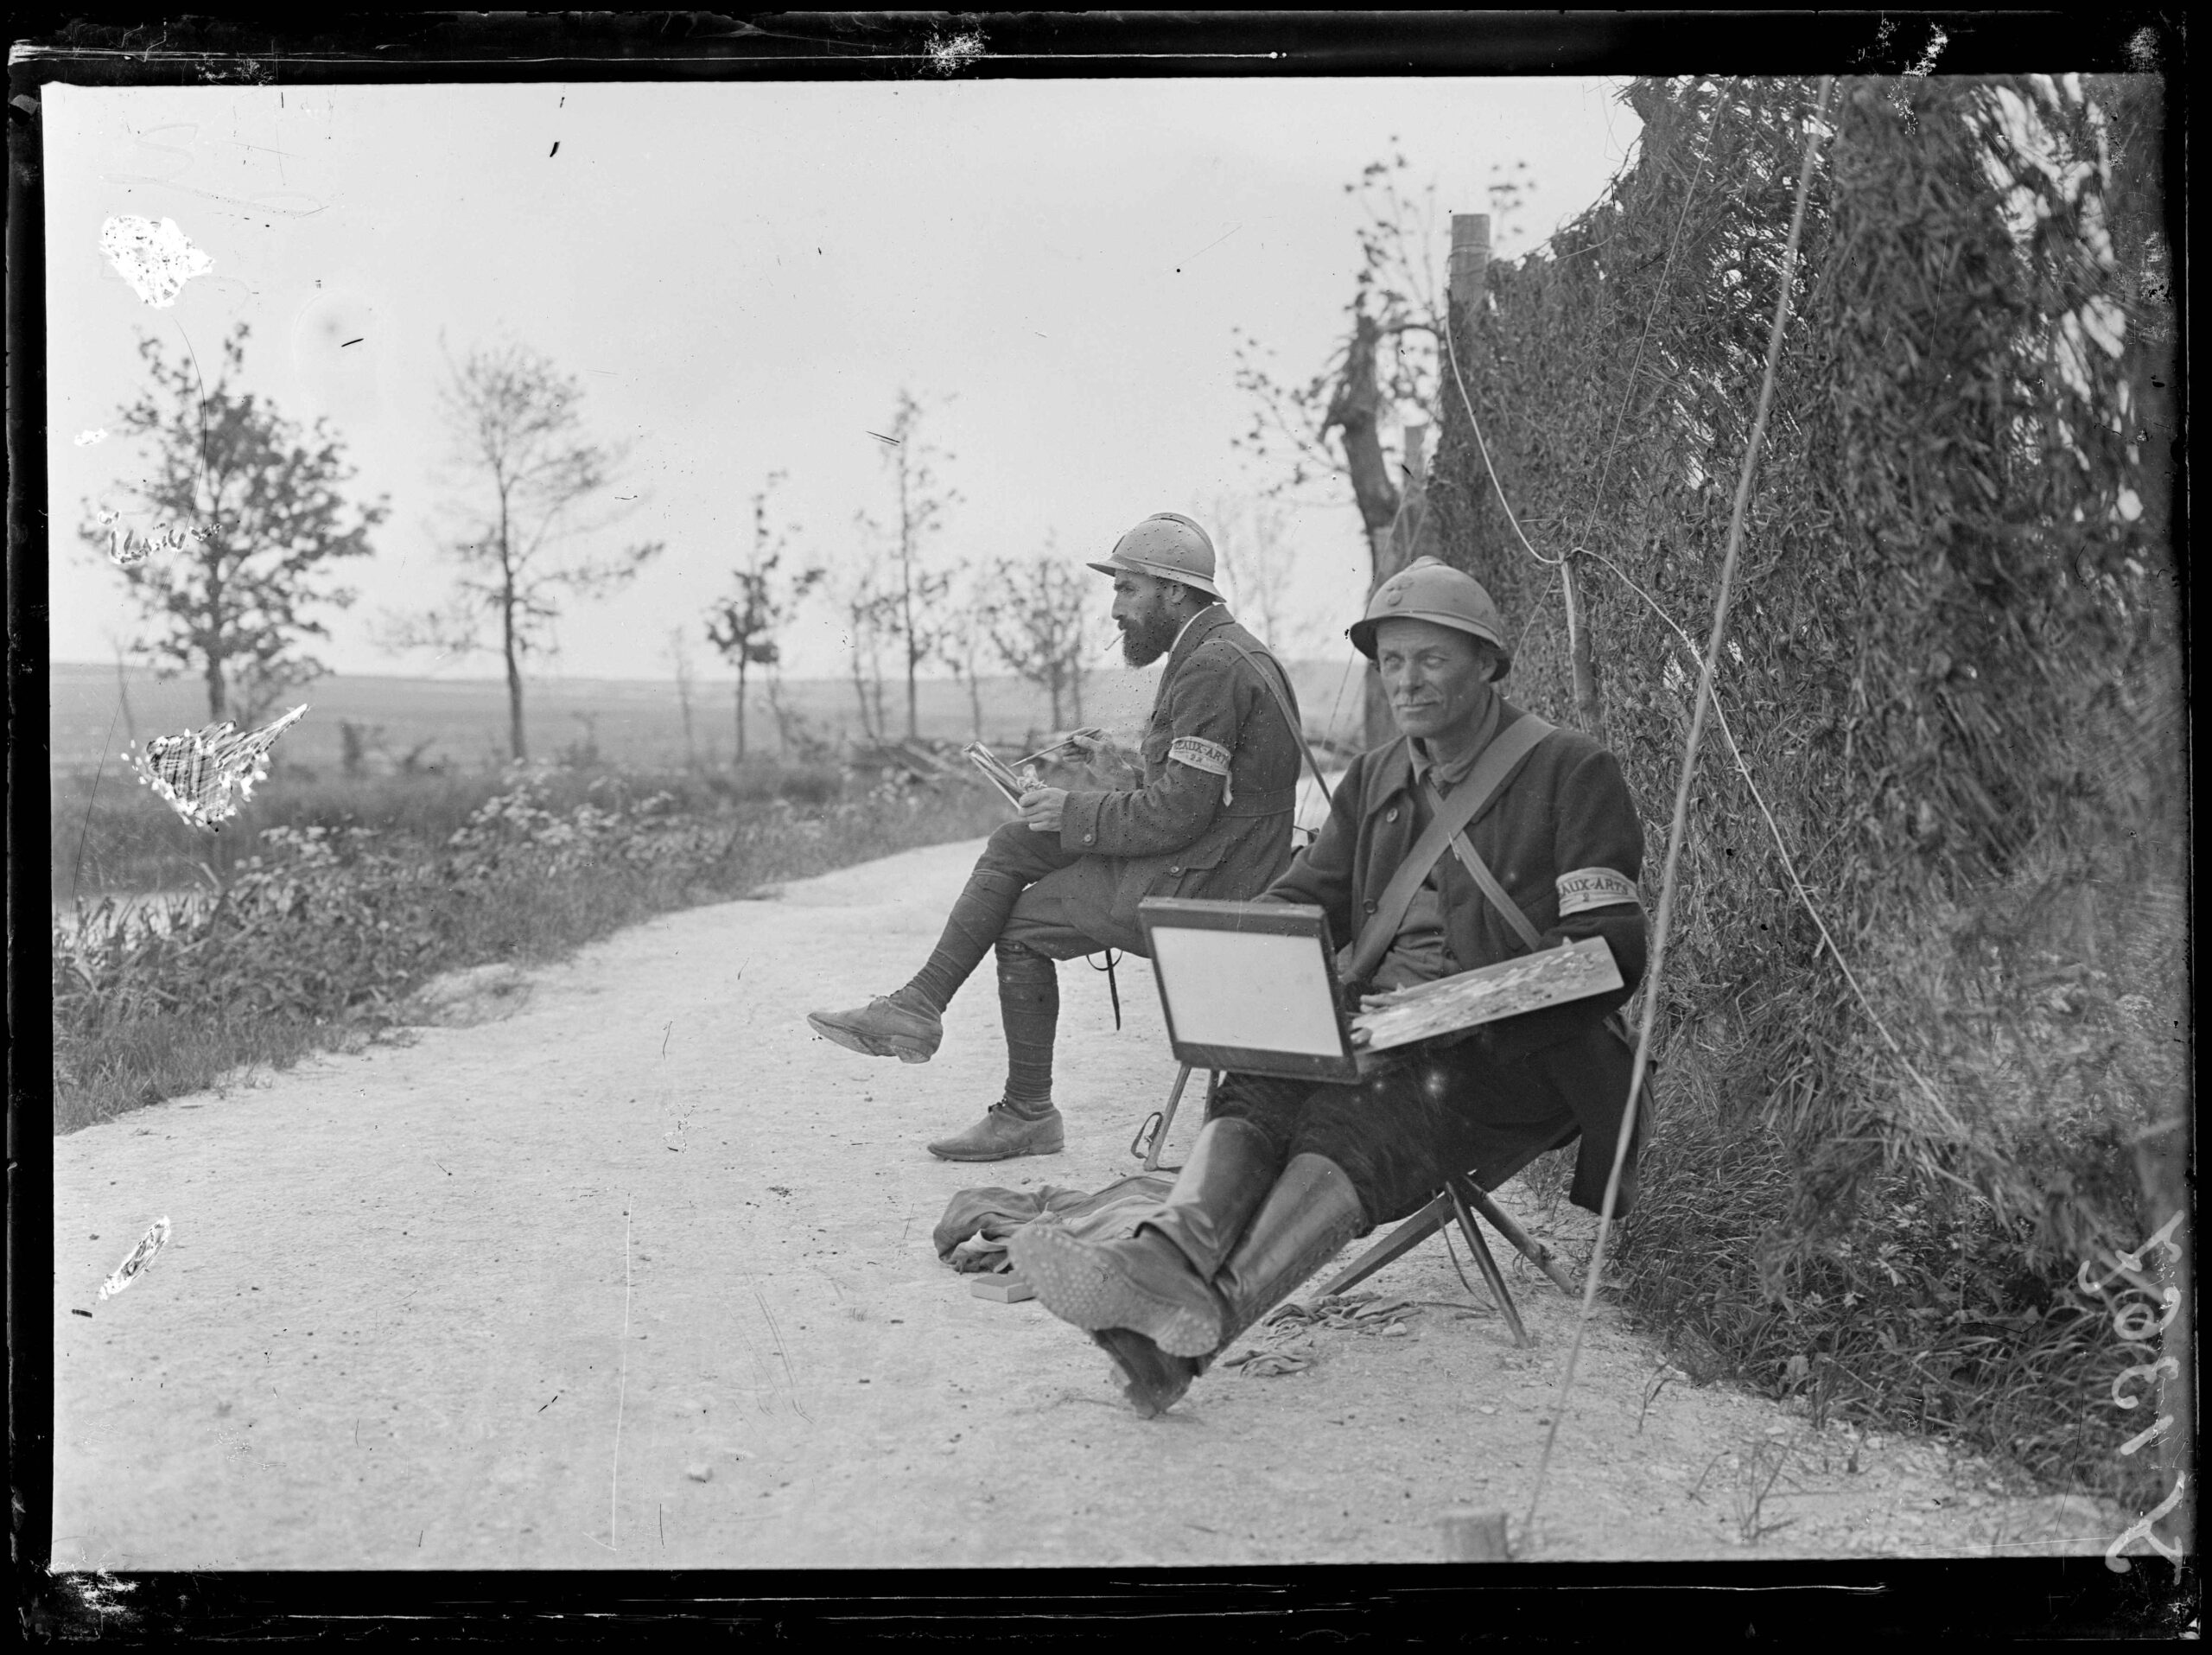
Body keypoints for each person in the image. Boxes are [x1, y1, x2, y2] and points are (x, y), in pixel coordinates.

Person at [1010, 557, 1650, 1416]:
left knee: (1359, 1114)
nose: (1407, 680)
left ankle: (1211, 1319)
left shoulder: (1571, 770)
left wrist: (1430, 1013)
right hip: (1380, 1033)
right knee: (1263, 1073)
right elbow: (1307, 899)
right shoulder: (1380, 774)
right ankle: (1166, 1259)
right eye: (1391, 661)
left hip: (1521, 1055)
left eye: (1431, 659)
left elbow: (1607, 956)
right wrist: (1236, 958)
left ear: (1487, 665)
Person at [807, 512, 1306, 1162]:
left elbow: (1182, 813)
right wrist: (1111, 773)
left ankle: (1027, 1112)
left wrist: (1075, 811)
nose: (1116, 610)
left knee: (1019, 928)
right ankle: (918, 1003)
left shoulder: (1211, 666)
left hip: (1212, 881)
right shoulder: (1215, 650)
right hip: (1214, 856)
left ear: (1176, 592)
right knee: (1016, 842)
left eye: (1128, 589)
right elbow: (1198, 794)